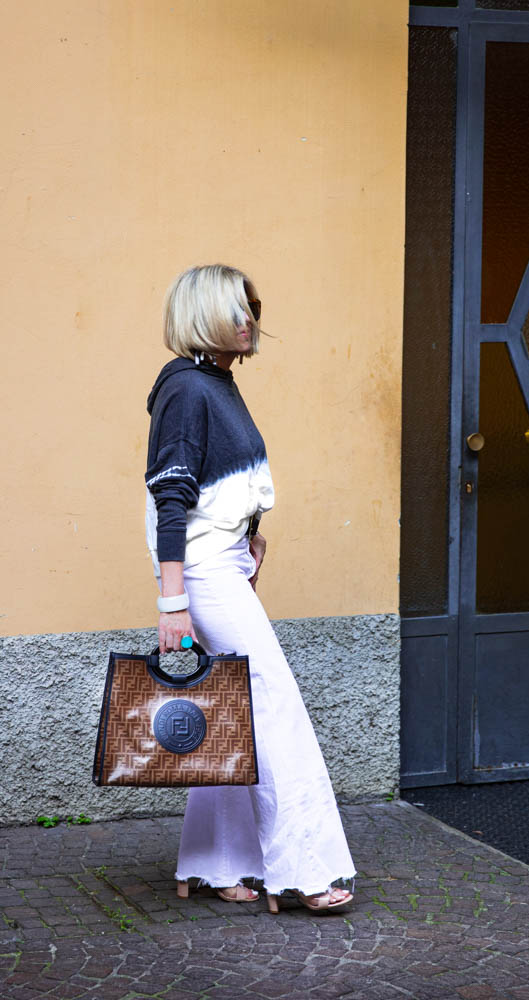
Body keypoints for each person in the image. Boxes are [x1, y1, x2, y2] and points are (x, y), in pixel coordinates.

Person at [144, 264, 355, 914]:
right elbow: (170, 500)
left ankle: (213, 864)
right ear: (203, 314)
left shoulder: (216, 384)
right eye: (237, 309)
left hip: (224, 567)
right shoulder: (187, 389)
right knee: (272, 709)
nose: (250, 321)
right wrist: (172, 605)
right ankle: (300, 873)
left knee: (235, 709)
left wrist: (251, 538)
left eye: (252, 308)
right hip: (202, 576)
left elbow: (222, 484)